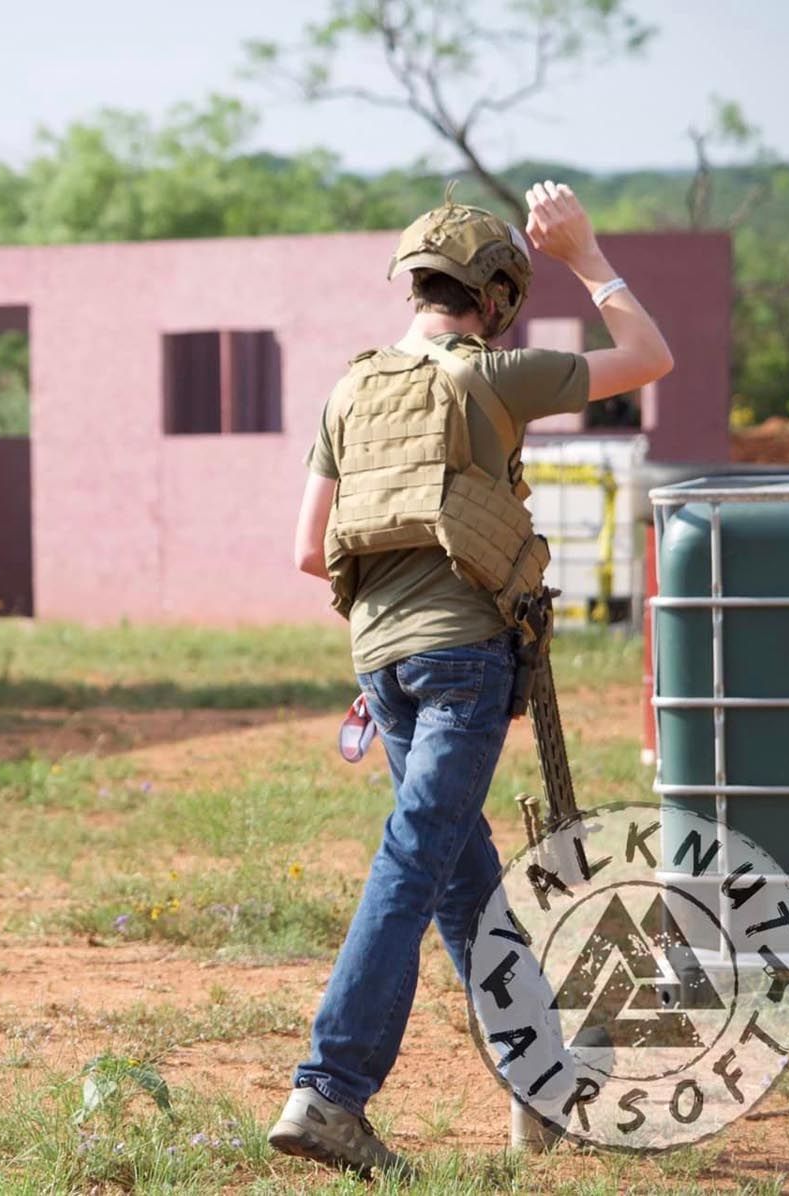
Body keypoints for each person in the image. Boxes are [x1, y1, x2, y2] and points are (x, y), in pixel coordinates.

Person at [271, 181, 675, 1176]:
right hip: (461, 659)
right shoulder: (493, 375)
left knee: (458, 871)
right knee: (418, 858)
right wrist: (585, 255)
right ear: (493, 296)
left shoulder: (348, 389)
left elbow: (309, 551)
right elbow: (651, 358)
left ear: (411, 283)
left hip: (382, 659)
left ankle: (539, 1077)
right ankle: (329, 1089)